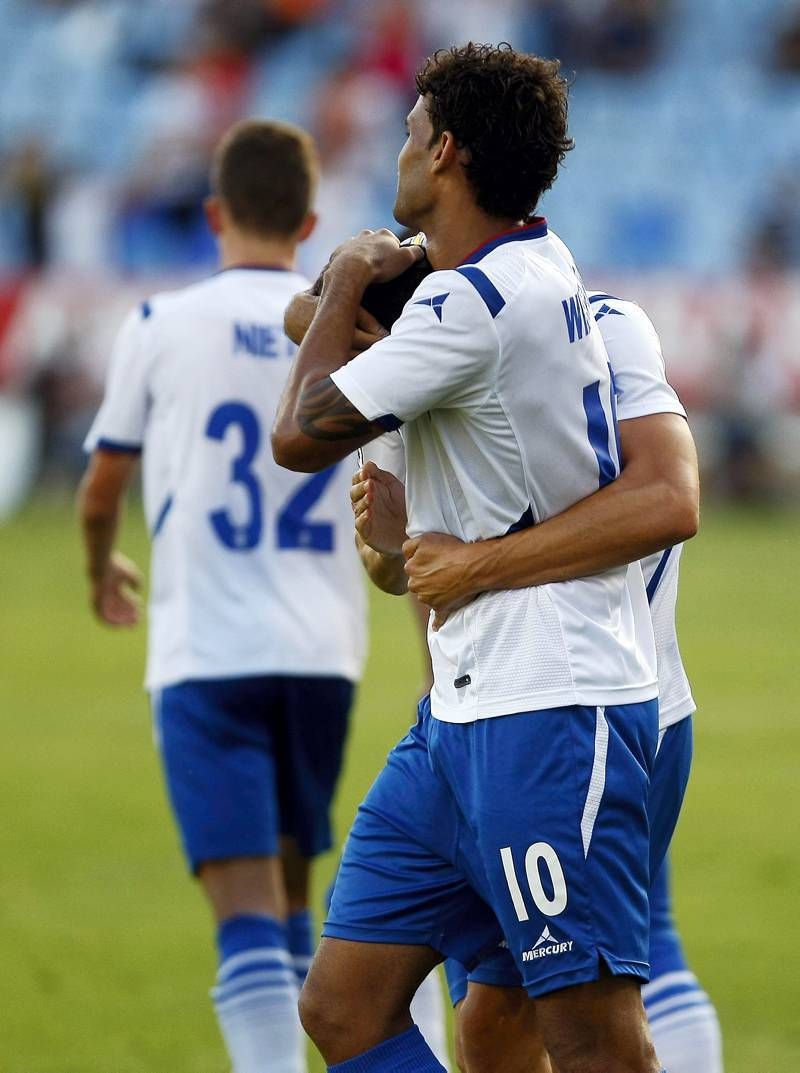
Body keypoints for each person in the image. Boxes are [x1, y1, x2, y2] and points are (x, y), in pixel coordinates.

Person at [272, 43, 696, 1073]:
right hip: (457, 717)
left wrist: (348, 280)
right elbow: (345, 328)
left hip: (547, 708)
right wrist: (357, 292)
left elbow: (295, 433)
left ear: (448, 151)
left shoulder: (470, 306)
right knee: (343, 1002)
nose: (400, 150)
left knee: (589, 1035)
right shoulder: (528, 270)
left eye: (411, 133)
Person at [352, 288, 719, 1073]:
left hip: (596, 708)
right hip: (474, 716)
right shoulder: (434, 349)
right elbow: (405, 566)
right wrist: (388, 543)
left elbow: (667, 498)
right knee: (477, 1021)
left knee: (580, 1018)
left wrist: (472, 563)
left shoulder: (608, 328)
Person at [78, 119, 367, 1073]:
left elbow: (102, 485)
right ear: (311, 219)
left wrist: (98, 562)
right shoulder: (347, 330)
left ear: (213, 213)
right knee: (291, 898)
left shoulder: (162, 323)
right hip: (324, 651)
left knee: (243, 908)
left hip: (209, 651)